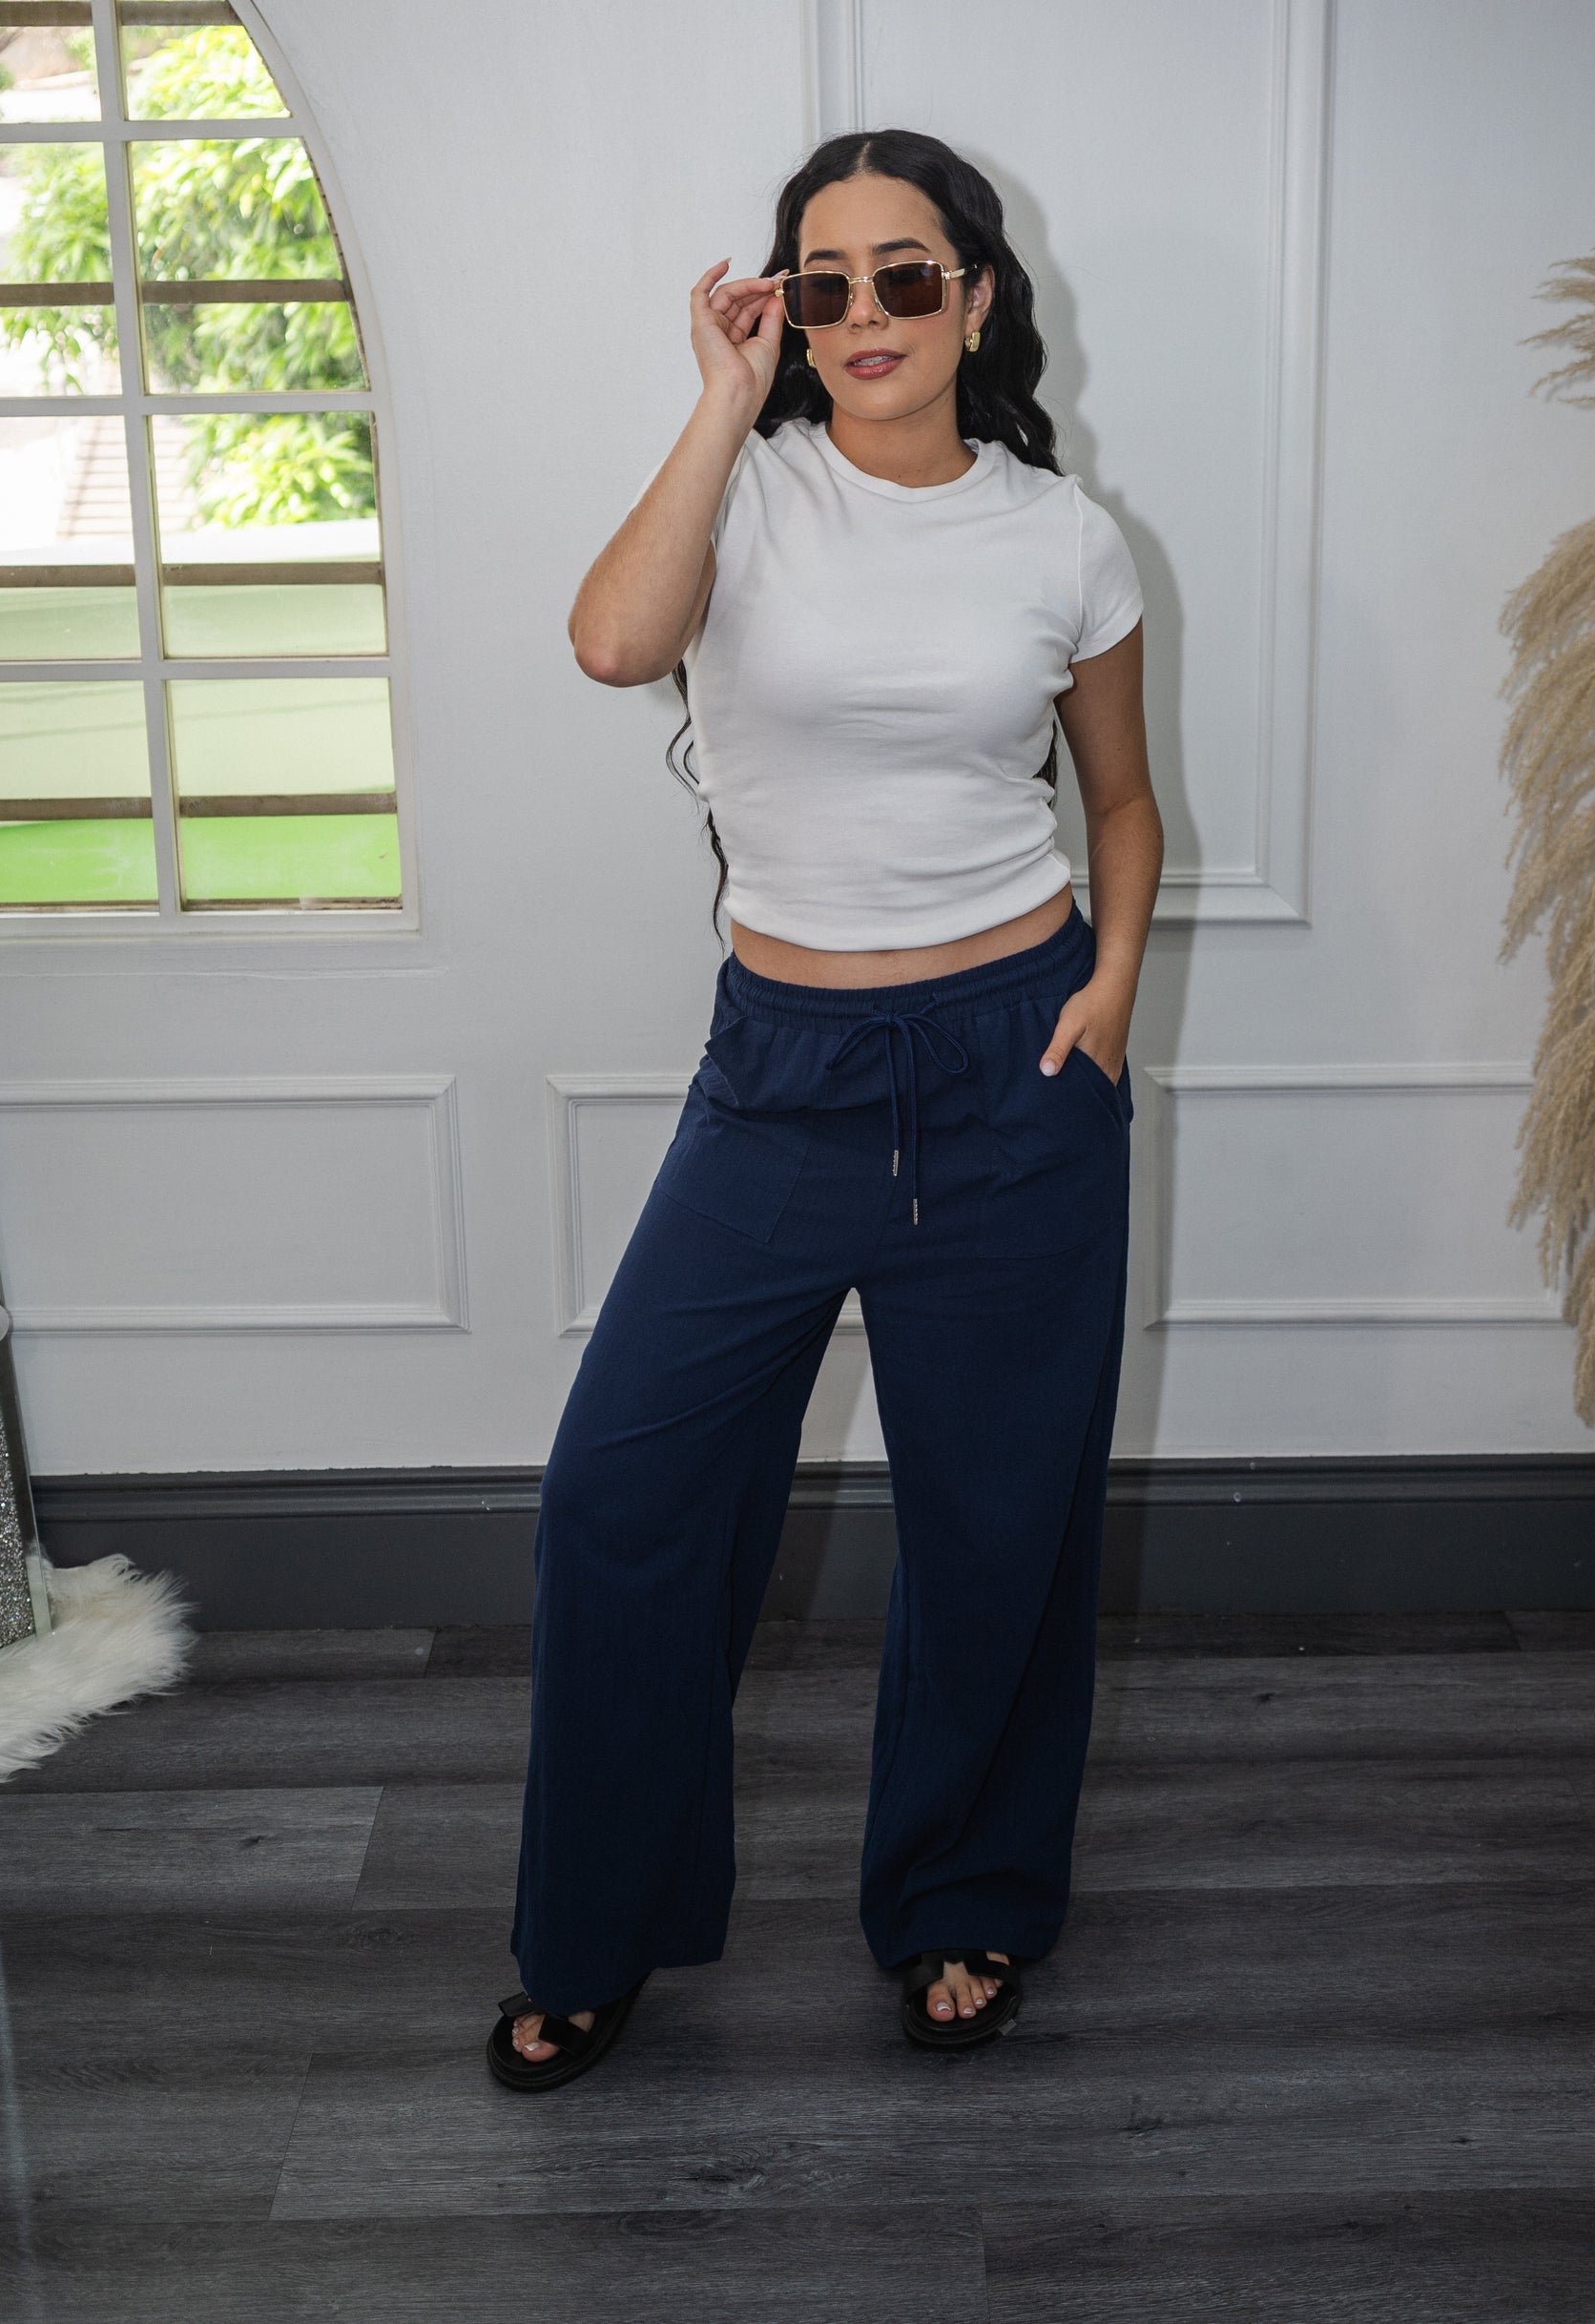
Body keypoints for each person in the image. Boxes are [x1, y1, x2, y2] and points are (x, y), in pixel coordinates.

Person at [487, 127, 1163, 2089]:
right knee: (621, 1498)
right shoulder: (744, 490)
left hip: (1014, 1063)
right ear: (783, 308)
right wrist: (721, 399)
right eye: (824, 281)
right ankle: (595, 1930)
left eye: (905, 274)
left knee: (997, 1523)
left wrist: (1111, 985)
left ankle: (962, 1901)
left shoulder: (1064, 537)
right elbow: (614, 644)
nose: (866, 313)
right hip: (779, 1077)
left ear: (975, 295)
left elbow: (1121, 801)